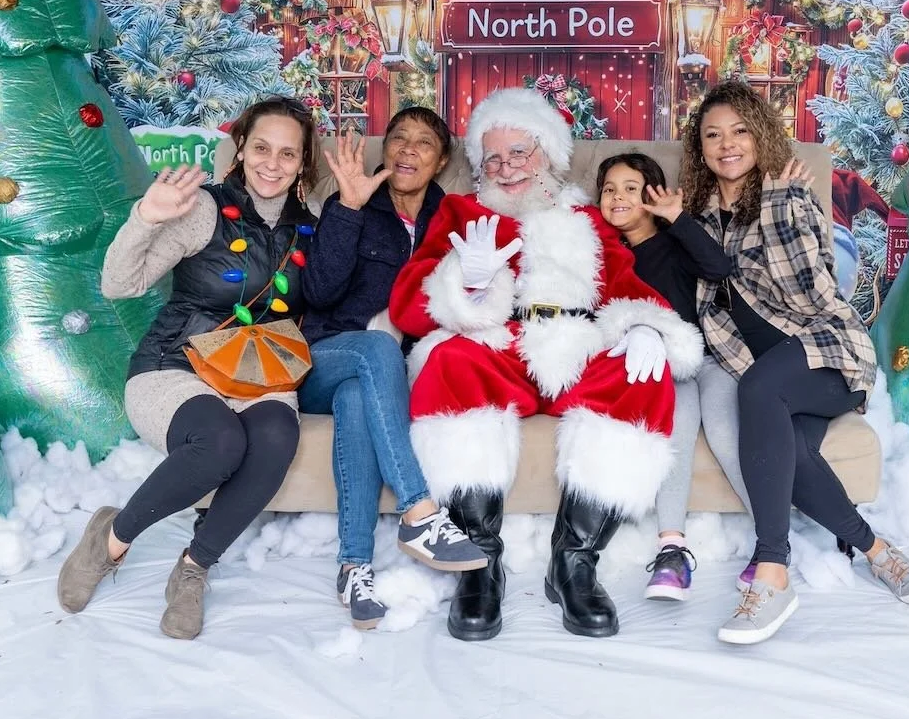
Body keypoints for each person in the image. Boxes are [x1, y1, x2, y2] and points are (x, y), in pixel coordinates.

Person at [389, 88, 703, 641]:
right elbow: (408, 307)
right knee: (450, 360)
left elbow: (625, 285)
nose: (506, 168)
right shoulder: (463, 211)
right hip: (499, 342)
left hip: (576, 343)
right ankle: (478, 562)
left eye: (519, 152)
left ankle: (574, 563)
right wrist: (468, 281)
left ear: (549, 154)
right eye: (493, 158)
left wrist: (646, 327)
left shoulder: (586, 217)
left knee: (642, 375)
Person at [679, 81, 909, 646]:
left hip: (825, 354)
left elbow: (811, 297)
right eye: (712, 135)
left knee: (758, 391)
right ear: (698, 147)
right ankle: (878, 550)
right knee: (787, 448)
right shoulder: (697, 218)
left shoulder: (786, 198)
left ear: (761, 135)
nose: (727, 145)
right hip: (770, 373)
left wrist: (778, 206)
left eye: (740, 131)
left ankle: (772, 569)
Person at [57, 96, 319, 639]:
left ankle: (194, 567)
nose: (273, 163)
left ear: (302, 164)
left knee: (274, 437)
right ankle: (111, 540)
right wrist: (146, 217)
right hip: (175, 364)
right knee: (220, 442)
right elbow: (118, 285)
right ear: (241, 148)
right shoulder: (202, 208)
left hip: (258, 372)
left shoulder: (308, 231)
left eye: (288, 154)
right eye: (262, 147)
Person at [300, 108, 486, 631]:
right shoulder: (355, 201)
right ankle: (419, 512)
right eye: (399, 138)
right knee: (376, 350)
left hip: (383, 378)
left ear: (441, 160)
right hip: (326, 356)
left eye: (423, 143)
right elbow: (317, 293)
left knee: (363, 396)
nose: (408, 149)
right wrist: (348, 211)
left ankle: (353, 565)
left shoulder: (454, 219)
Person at [595, 153, 746, 601]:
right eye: (608, 189)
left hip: (711, 357)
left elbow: (719, 268)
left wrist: (677, 218)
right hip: (663, 368)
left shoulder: (676, 241)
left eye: (630, 187)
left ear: (652, 195)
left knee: (724, 428)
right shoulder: (603, 254)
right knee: (675, 427)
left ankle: (773, 537)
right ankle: (671, 548)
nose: (618, 196)